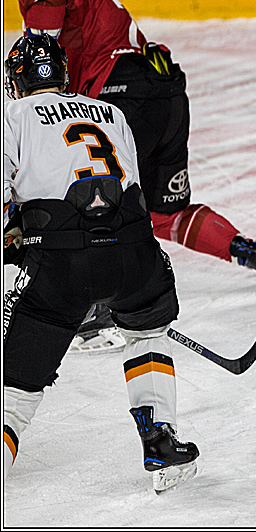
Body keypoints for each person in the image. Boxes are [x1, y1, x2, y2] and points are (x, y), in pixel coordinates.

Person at [3, 0, 256, 351]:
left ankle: (102, 314)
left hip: (122, 93)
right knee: (166, 214)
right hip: (163, 91)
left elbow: (40, 64)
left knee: (101, 202)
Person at [3, 35, 200, 492]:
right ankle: (160, 440)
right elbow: (123, 191)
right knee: (146, 331)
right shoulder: (110, 112)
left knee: (13, 394)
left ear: (18, 81)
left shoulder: (11, 116)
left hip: (61, 268)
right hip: (135, 257)